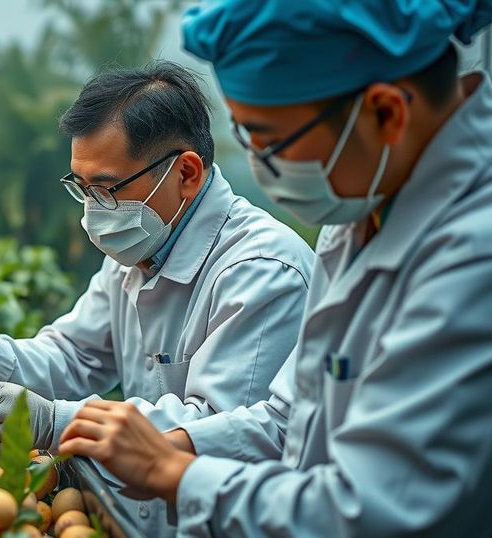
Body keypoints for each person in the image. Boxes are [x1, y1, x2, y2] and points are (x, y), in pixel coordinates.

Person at [59, 1, 492, 536]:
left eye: (272, 141)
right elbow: (291, 416)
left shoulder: (471, 257)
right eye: (247, 139)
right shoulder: (360, 209)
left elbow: (372, 508)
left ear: (385, 113)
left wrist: (173, 472)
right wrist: (177, 447)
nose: (262, 168)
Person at [0, 62, 316, 534]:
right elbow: (73, 354)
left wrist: (58, 423)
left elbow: (217, 431)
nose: (92, 213)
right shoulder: (141, 246)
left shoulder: (262, 271)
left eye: (106, 190)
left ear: (185, 173)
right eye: (81, 189)